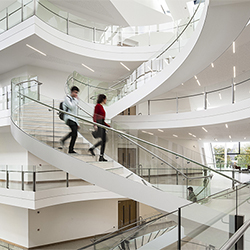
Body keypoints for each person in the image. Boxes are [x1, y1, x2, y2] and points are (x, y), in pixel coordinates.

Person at [88, 94, 110, 161]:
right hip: (99, 124)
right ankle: (99, 154)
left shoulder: (102, 107)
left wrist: (108, 126)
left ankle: (100, 155)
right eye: (106, 99)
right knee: (104, 140)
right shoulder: (98, 106)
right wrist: (95, 124)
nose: (106, 100)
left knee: (104, 140)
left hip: (102, 124)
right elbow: (95, 115)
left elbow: (102, 120)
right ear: (103, 99)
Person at [60, 86, 80, 154]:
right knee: (74, 133)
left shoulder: (75, 100)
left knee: (74, 133)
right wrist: (76, 101)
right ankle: (70, 149)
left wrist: (78, 123)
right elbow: (71, 107)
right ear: (72, 92)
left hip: (73, 119)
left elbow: (75, 113)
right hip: (68, 118)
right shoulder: (67, 98)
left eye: (77, 93)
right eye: (75, 92)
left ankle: (64, 140)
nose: (76, 94)